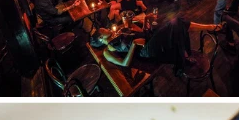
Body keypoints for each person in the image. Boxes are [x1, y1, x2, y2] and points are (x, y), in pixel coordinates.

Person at [88, 18, 222, 70]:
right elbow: (124, 63)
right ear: (101, 38)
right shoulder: (107, 51)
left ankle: (184, 57)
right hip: (144, 51)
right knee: (175, 23)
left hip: (148, 39)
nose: (106, 28)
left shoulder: (117, 32)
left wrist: (139, 26)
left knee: (177, 24)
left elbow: (137, 33)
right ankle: (210, 27)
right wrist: (134, 45)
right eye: (103, 30)